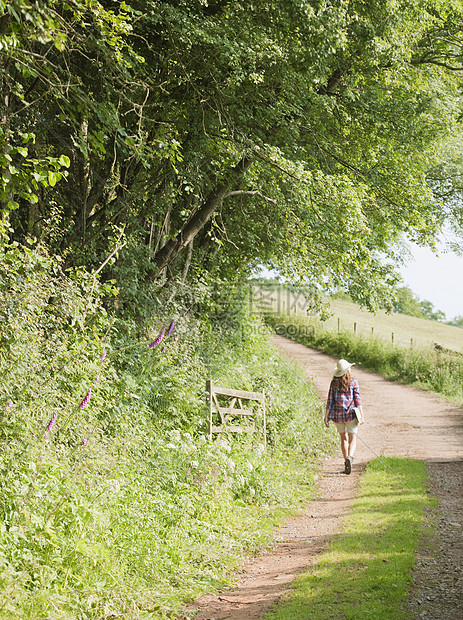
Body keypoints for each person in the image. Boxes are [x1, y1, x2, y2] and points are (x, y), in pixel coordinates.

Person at [324, 358, 364, 474]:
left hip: (338, 416)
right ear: (347, 370)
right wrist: (361, 415)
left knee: (343, 439)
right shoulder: (353, 382)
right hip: (351, 415)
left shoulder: (333, 383)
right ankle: (350, 457)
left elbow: (330, 402)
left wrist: (326, 416)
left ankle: (345, 461)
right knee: (353, 439)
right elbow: (357, 400)